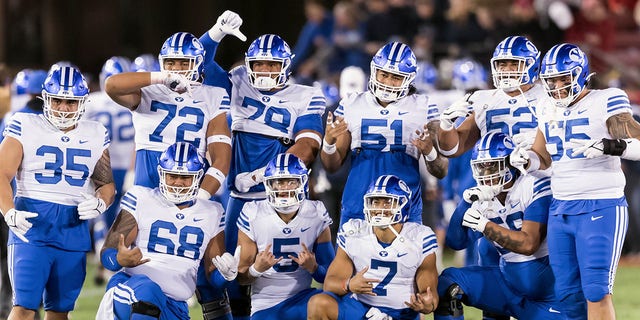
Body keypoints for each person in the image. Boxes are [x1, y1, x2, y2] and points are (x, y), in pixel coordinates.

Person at [199, 11, 326, 319]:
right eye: (259, 64)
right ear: (249, 65)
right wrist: (215, 34)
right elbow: (196, 63)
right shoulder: (238, 82)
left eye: (272, 64)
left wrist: (259, 175)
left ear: (286, 65)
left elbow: (307, 147)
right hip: (239, 200)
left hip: (285, 201)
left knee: (285, 277)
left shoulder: (306, 95)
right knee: (224, 274)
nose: (266, 71)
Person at [510, 43, 637, 319]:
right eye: (551, 80)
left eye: (562, 78)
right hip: (561, 208)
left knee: (596, 291)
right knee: (567, 294)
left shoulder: (606, 99)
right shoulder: (544, 105)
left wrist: (610, 146)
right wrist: (527, 160)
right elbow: (543, 157)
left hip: (601, 206)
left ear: (580, 75)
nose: (556, 86)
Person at [0, 66, 116, 319]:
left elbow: (106, 185)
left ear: (82, 102)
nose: (63, 108)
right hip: (32, 226)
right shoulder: (24, 123)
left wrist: (100, 204)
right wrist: (9, 212)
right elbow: (1, 173)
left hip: (73, 230)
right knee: (23, 309)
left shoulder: (95, 132)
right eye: (57, 100)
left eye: (70, 102)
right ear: (45, 98)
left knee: (60, 312)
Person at [95, 141, 238, 320]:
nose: (178, 183)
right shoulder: (141, 197)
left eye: (185, 177)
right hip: (130, 290)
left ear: (198, 177)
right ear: (162, 174)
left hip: (175, 305)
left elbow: (212, 276)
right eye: (172, 176)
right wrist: (118, 259)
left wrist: (226, 274)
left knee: (153, 298)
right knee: (149, 290)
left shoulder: (212, 212)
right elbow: (108, 253)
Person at [434, 132, 562, 319]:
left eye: (493, 166)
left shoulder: (533, 184)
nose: (487, 175)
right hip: (507, 284)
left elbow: (529, 244)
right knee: (447, 283)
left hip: (547, 295)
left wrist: (484, 225)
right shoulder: (482, 198)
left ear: (511, 163)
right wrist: (465, 203)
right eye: (482, 168)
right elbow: (455, 242)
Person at [320, 41, 448, 228]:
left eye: (396, 77)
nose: (388, 82)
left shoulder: (424, 106)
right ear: (374, 71)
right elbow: (332, 166)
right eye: (384, 74)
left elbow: (441, 169)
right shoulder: (351, 103)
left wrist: (429, 152)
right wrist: (329, 142)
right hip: (359, 203)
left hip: (404, 205)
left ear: (408, 79)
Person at [105, 31, 231, 201]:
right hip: (148, 179)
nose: (176, 69)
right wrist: (162, 77)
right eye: (170, 63)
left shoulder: (213, 95)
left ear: (198, 64)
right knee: (128, 227)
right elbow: (111, 85)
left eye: (184, 63)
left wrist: (202, 196)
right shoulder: (148, 91)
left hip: (190, 179)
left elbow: (221, 159)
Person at [307, 175, 439, 320]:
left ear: (403, 205)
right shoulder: (354, 232)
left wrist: (427, 304)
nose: (380, 208)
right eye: (376, 202)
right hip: (362, 309)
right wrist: (349, 284)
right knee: (318, 303)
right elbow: (329, 284)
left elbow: (430, 295)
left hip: (402, 313)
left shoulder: (419, 238)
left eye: (388, 202)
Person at [235, 153, 334, 319]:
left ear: (302, 183)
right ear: (268, 184)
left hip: (304, 298)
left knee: (335, 304)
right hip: (265, 304)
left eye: (291, 182)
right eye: (278, 182)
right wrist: (256, 269)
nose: (284, 188)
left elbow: (332, 276)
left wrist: (314, 268)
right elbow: (242, 278)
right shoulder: (253, 213)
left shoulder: (316, 213)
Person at [437, 35, 545, 158]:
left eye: (515, 64)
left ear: (532, 66)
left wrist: (544, 140)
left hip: (540, 174)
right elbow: (451, 150)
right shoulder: (483, 100)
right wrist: (446, 126)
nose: (506, 70)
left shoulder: (548, 97)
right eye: (502, 64)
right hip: (494, 174)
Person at [85, 56, 136, 284]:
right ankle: (113, 261)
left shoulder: (92, 102)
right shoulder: (138, 96)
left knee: (101, 216)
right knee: (126, 218)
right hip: (130, 164)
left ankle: (104, 263)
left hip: (102, 165)